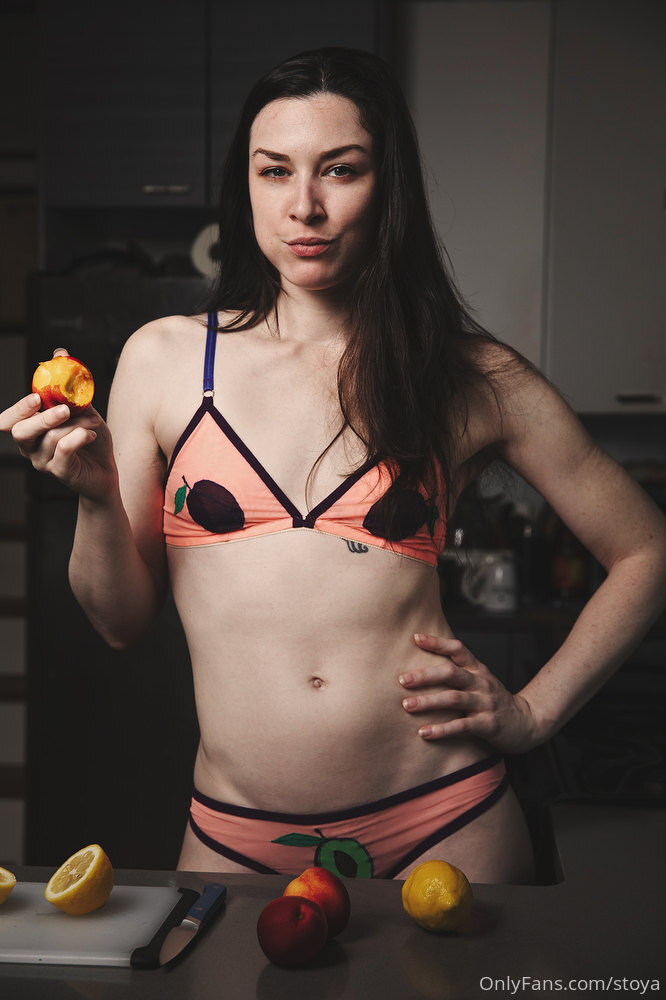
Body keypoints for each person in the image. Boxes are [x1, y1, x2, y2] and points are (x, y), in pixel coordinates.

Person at [3, 48, 665, 883]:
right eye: (274, 170)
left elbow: (647, 549)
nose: (303, 206)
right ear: (246, 185)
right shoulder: (165, 360)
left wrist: (533, 714)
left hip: (446, 815)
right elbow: (118, 621)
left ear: (388, 187)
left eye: (340, 170)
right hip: (236, 832)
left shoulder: (468, 375)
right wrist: (97, 498)